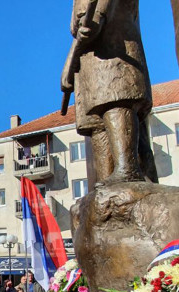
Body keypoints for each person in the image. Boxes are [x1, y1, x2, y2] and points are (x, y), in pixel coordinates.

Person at [61, 0, 156, 186]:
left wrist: (97, 16)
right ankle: (106, 178)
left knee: (116, 104)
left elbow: (93, 18)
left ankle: (127, 169)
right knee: (97, 122)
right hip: (90, 61)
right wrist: (69, 64)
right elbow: (81, 30)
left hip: (115, 50)